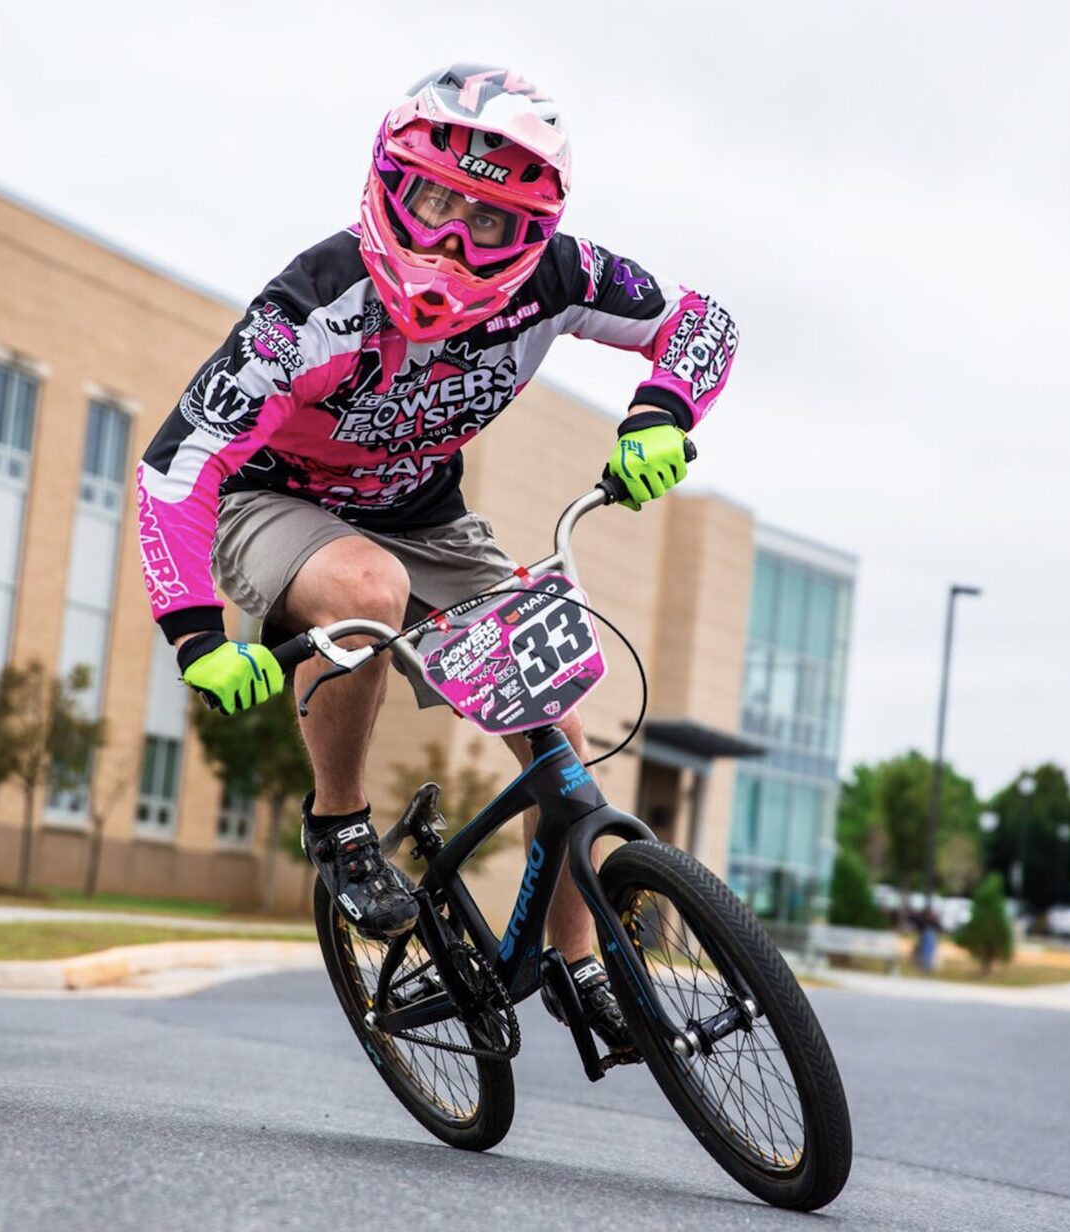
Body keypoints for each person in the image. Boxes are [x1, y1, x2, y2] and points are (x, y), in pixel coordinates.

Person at [135, 64, 737, 1052]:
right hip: (270, 504)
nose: (452, 241)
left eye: (488, 222)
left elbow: (698, 321)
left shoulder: (560, 279)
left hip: (426, 517)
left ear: (532, 233)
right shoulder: (307, 307)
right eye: (432, 200)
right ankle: (337, 823)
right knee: (370, 589)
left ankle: (577, 969)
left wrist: (659, 416)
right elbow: (179, 465)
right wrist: (196, 635)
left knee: (558, 733)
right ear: (387, 181)